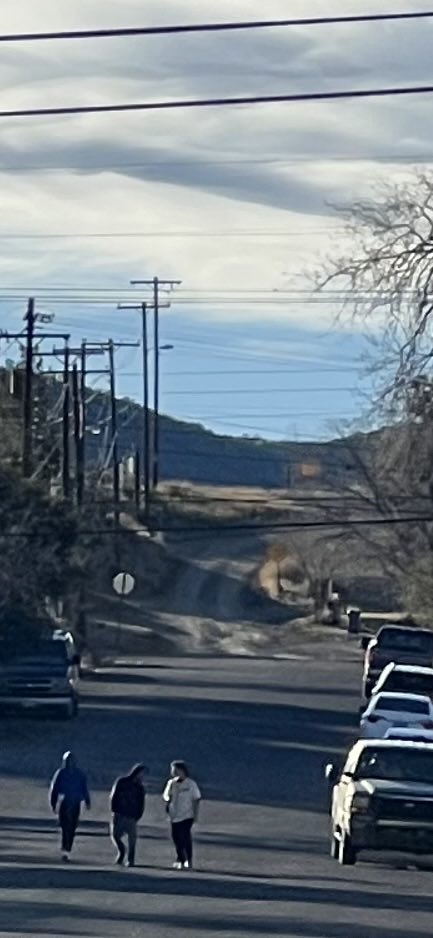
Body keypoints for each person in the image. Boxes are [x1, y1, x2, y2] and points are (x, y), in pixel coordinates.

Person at [49, 751, 91, 862]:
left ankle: (68, 848)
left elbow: (84, 788)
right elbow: (55, 789)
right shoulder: (61, 773)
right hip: (65, 802)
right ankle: (64, 848)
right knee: (64, 827)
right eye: (68, 761)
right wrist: (53, 803)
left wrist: (87, 801)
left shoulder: (80, 774)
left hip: (75, 803)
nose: (70, 763)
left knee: (72, 827)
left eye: (71, 761)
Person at [162, 760, 201, 870]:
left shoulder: (190, 784)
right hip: (174, 816)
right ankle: (181, 859)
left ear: (182, 770)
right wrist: (168, 802)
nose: (173, 772)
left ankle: (188, 860)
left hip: (187, 815)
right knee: (176, 838)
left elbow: (196, 799)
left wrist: (195, 815)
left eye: (175, 769)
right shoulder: (171, 783)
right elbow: (166, 796)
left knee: (185, 838)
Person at [110, 763, 148, 867]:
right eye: (142, 773)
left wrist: (138, 816)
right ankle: (122, 851)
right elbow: (114, 796)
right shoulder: (122, 782)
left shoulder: (140, 788)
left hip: (131, 816)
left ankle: (131, 860)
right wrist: (114, 810)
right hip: (119, 813)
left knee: (132, 839)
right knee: (115, 836)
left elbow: (141, 803)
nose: (143, 776)